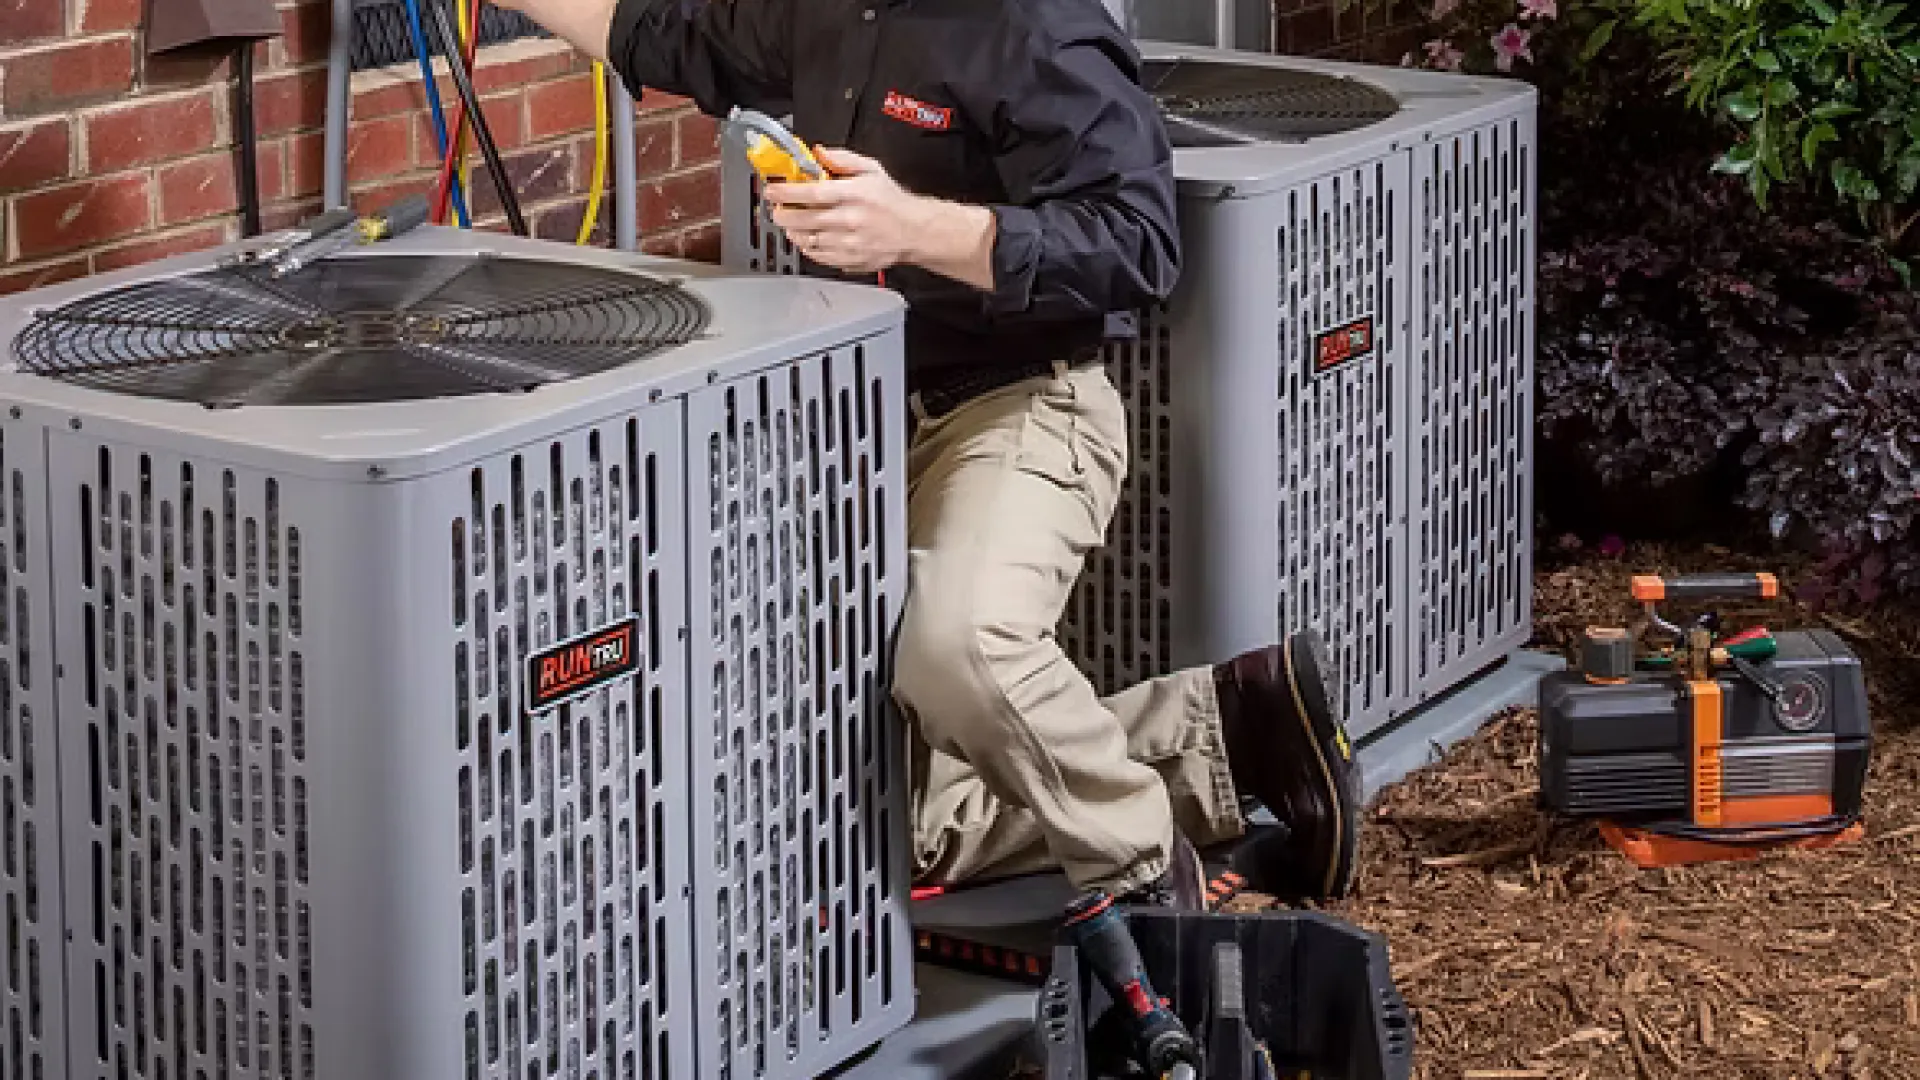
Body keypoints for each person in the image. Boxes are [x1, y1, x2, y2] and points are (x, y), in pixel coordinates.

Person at [493, 0, 1362, 907]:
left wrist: (912, 228)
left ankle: (1144, 872)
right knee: (895, 824)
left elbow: (1137, 243)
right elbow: (662, 34)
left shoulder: (1038, 27)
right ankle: (1230, 730)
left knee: (959, 647)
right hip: (860, 431)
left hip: (1025, 404)